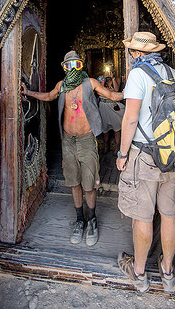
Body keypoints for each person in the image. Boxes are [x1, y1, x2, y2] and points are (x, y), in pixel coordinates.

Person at [22, 50, 123, 247]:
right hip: (68, 141)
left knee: (89, 184)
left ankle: (92, 220)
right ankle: (80, 220)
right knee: (74, 182)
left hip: (86, 140)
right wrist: (28, 93)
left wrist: (134, 92)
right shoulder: (61, 86)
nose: (72, 69)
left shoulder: (90, 83)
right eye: (68, 65)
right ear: (64, 68)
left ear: (81, 66)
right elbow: (48, 96)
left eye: (76, 65)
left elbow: (111, 94)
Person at [116, 31, 175, 293]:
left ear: (137, 53)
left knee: (142, 217)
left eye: (133, 52)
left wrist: (123, 155)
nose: (132, 55)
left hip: (145, 155)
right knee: (169, 214)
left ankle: (140, 273)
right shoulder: (173, 73)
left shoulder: (138, 74)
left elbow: (130, 118)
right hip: (173, 153)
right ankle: (168, 273)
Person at [97, 66, 124, 153]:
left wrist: (112, 78)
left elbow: (116, 89)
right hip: (103, 105)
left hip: (112, 105)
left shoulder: (117, 79)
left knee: (117, 128)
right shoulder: (100, 79)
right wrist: (104, 78)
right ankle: (105, 147)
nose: (108, 72)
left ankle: (117, 148)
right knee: (105, 129)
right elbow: (100, 90)